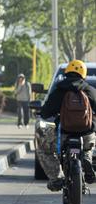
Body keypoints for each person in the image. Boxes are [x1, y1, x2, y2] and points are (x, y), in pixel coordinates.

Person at [39, 60, 96, 191]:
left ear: (67, 72)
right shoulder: (90, 90)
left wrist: (43, 113)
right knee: (89, 146)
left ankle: (56, 178)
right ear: (83, 74)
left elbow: (46, 112)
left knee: (45, 150)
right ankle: (87, 157)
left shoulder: (59, 90)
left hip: (64, 134)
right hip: (86, 133)